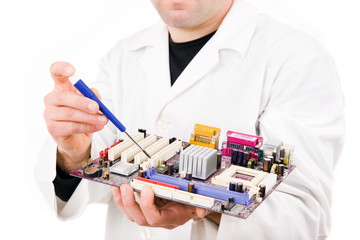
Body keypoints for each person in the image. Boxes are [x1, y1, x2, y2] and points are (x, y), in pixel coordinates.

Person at [37, 0, 345, 239]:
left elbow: (301, 221)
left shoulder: (298, 61)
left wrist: (201, 203)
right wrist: (73, 152)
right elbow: (93, 182)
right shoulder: (122, 57)